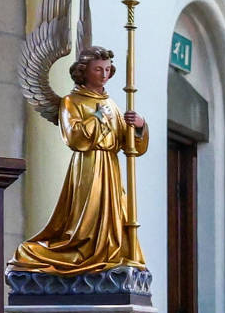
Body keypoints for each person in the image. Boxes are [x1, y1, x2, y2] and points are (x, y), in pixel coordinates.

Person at [14, 46, 149, 273]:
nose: (104, 74)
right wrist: (96, 119)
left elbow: (129, 147)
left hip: (110, 167)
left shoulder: (112, 104)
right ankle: (84, 252)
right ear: (83, 71)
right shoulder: (72, 101)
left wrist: (139, 126)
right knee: (88, 217)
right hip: (88, 165)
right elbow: (74, 137)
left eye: (107, 69)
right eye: (98, 69)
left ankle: (109, 254)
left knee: (115, 218)